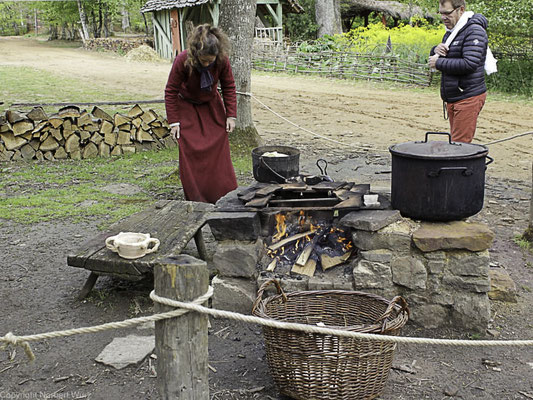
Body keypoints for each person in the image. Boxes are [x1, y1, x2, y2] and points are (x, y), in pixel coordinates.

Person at [165, 24, 238, 203]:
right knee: (191, 149)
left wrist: (231, 115)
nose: (207, 64)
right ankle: (197, 198)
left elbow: (229, 86)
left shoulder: (222, 60)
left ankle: (222, 195)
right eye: (204, 60)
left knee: (218, 148)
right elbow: (171, 90)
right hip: (187, 108)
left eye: (210, 61)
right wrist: (174, 122)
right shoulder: (182, 60)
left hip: (212, 106)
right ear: (196, 53)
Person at [429, 0, 489, 143]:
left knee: (460, 145)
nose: (443, 17)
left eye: (447, 13)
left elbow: (470, 63)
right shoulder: (453, 31)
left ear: (460, 10)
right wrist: (435, 50)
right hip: (455, 96)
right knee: (456, 143)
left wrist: (438, 63)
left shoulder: (474, 31)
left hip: (468, 97)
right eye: (441, 13)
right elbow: (451, 54)